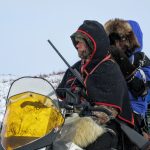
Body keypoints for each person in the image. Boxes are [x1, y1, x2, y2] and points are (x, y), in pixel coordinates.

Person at [56, 20, 137, 150]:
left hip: (107, 129)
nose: (77, 45)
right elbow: (58, 95)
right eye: (76, 41)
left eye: (81, 41)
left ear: (93, 43)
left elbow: (107, 113)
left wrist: (81, 110)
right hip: (72, 122)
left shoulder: (108, 68)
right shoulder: (76, 68)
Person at [104, 18, 150, 137]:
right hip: (105, 110)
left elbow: (143, 85)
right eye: (113, 40)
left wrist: (125, 65)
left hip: (132, 114)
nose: (117, 44)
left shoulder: (142, 61)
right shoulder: (106, 62)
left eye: (122, 39)